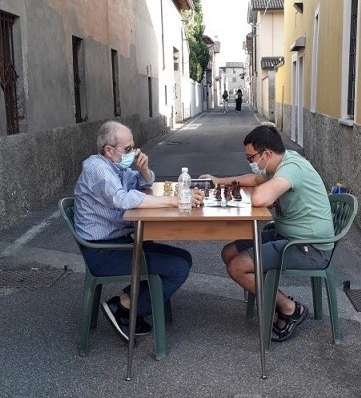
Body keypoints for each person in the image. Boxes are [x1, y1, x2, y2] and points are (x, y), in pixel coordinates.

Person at [200, 124, 334, 342]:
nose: (251, 163)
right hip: (286, 234)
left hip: (309, 246)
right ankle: (269, 297)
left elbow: (260, 198)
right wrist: (218, 181)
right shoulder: (280, 162)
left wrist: (266, 189)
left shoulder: (291, 168)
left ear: (267, 154)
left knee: (237, 266)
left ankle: (290, 308)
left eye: (251, 158)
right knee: (229, 252)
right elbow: (254, 180)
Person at [74, 120, 203, 341]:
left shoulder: (114, 166)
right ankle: (124, 308)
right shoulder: (98, 169)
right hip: (103, 251)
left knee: (184, 257)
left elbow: (141, 183)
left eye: (134, 147)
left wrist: (143, 169)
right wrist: (173, 201)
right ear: (109, 150)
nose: (133, 153)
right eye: (128, 149)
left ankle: (126, 301)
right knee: (178, 268)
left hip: (117, 241)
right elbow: (123, 199)